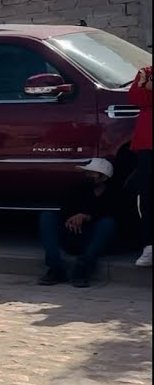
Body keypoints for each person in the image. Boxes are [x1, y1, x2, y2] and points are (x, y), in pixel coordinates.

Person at [38, 159, 121, 288]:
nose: (87, 176)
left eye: (91, 174)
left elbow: (116, 215)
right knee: (47, 216)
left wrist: (87, 216)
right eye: (87, 173)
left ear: (103, 178)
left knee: (108, 223)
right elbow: (65, 210)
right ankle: (55, 269)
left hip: (92, 240)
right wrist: (72, 218)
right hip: (71, 233)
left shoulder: (114, 194)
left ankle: (82, 269)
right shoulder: (76, 188)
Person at [129, 65, 152, 267]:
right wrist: (146, 87)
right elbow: (136, 99)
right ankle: (149, 246)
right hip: (147, 144)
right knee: (147, 197)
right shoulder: (146, 72)